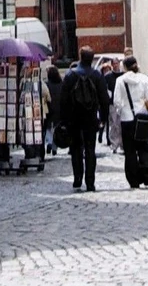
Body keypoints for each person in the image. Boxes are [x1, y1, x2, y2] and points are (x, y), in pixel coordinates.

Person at [60, 47, 110, 192]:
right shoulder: (97, 75)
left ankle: (77, 178)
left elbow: (63, 100)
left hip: (74, 118)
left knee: (75, 149)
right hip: (90, 117)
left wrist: (63, 119)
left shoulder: (70, 75)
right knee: (90, 149)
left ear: (80, 57)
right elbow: (104, 99)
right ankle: (90, 182)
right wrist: (104, 118)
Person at [112, 52, 148, 188]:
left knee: (130, 150)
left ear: (124, 67)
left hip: (127, 119)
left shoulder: (120, 80)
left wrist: (121, 111)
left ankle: (133, 179)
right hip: (142, 116)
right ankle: (145, 170)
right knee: (143, 146)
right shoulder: (144, 79)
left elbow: (117, 101)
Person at [44, 63, 64, 157]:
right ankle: (54, 148)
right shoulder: (62, 84)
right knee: (57, 129)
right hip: (59, 109)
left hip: (49, 108)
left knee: (48, 128)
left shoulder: (47, 84)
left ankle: (49, 142)